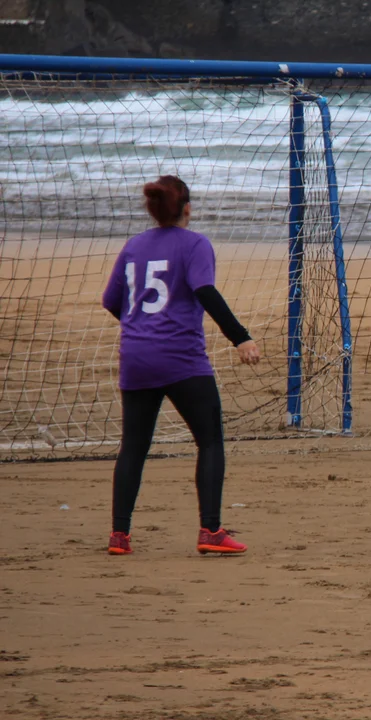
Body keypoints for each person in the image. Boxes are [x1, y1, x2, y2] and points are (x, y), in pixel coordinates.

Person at [102, 175, 261, 555]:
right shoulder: (195, 244)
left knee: (133, 447)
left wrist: (142, 329)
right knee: (209, 440)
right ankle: (211, 530)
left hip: (136, 358)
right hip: (181, 359)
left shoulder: (134, 245)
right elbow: (205, 291)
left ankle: (119, 536)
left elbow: (111, 300)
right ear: (187, 208)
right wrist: (241, 337)